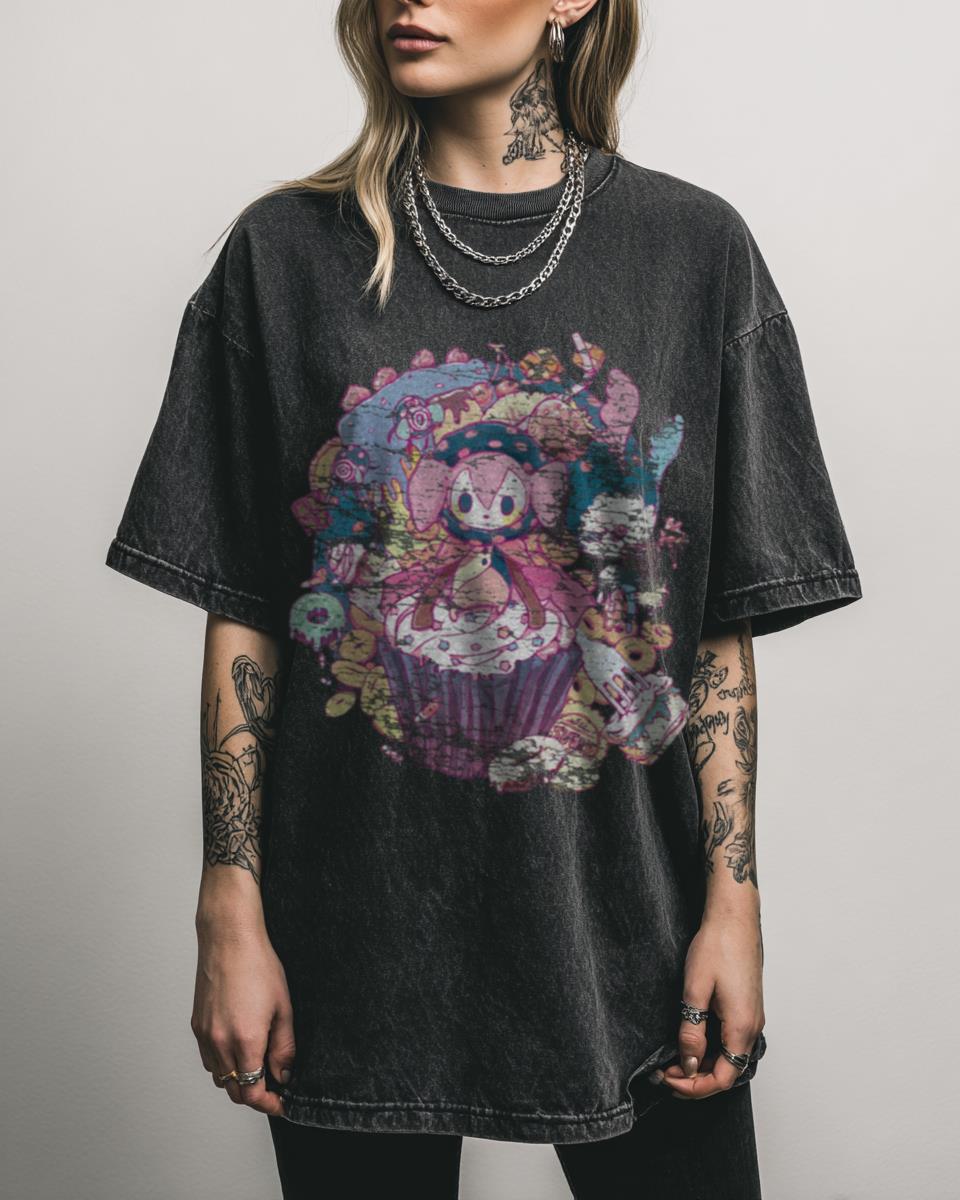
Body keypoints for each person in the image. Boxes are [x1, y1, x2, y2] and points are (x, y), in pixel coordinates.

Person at [103, 1, 863, 1196]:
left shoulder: (693, 252)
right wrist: (229, 905)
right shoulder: (283, 255)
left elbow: (712, 631)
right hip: (352, 934)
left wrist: (734, 902)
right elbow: (245, 608)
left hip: (632, 928)